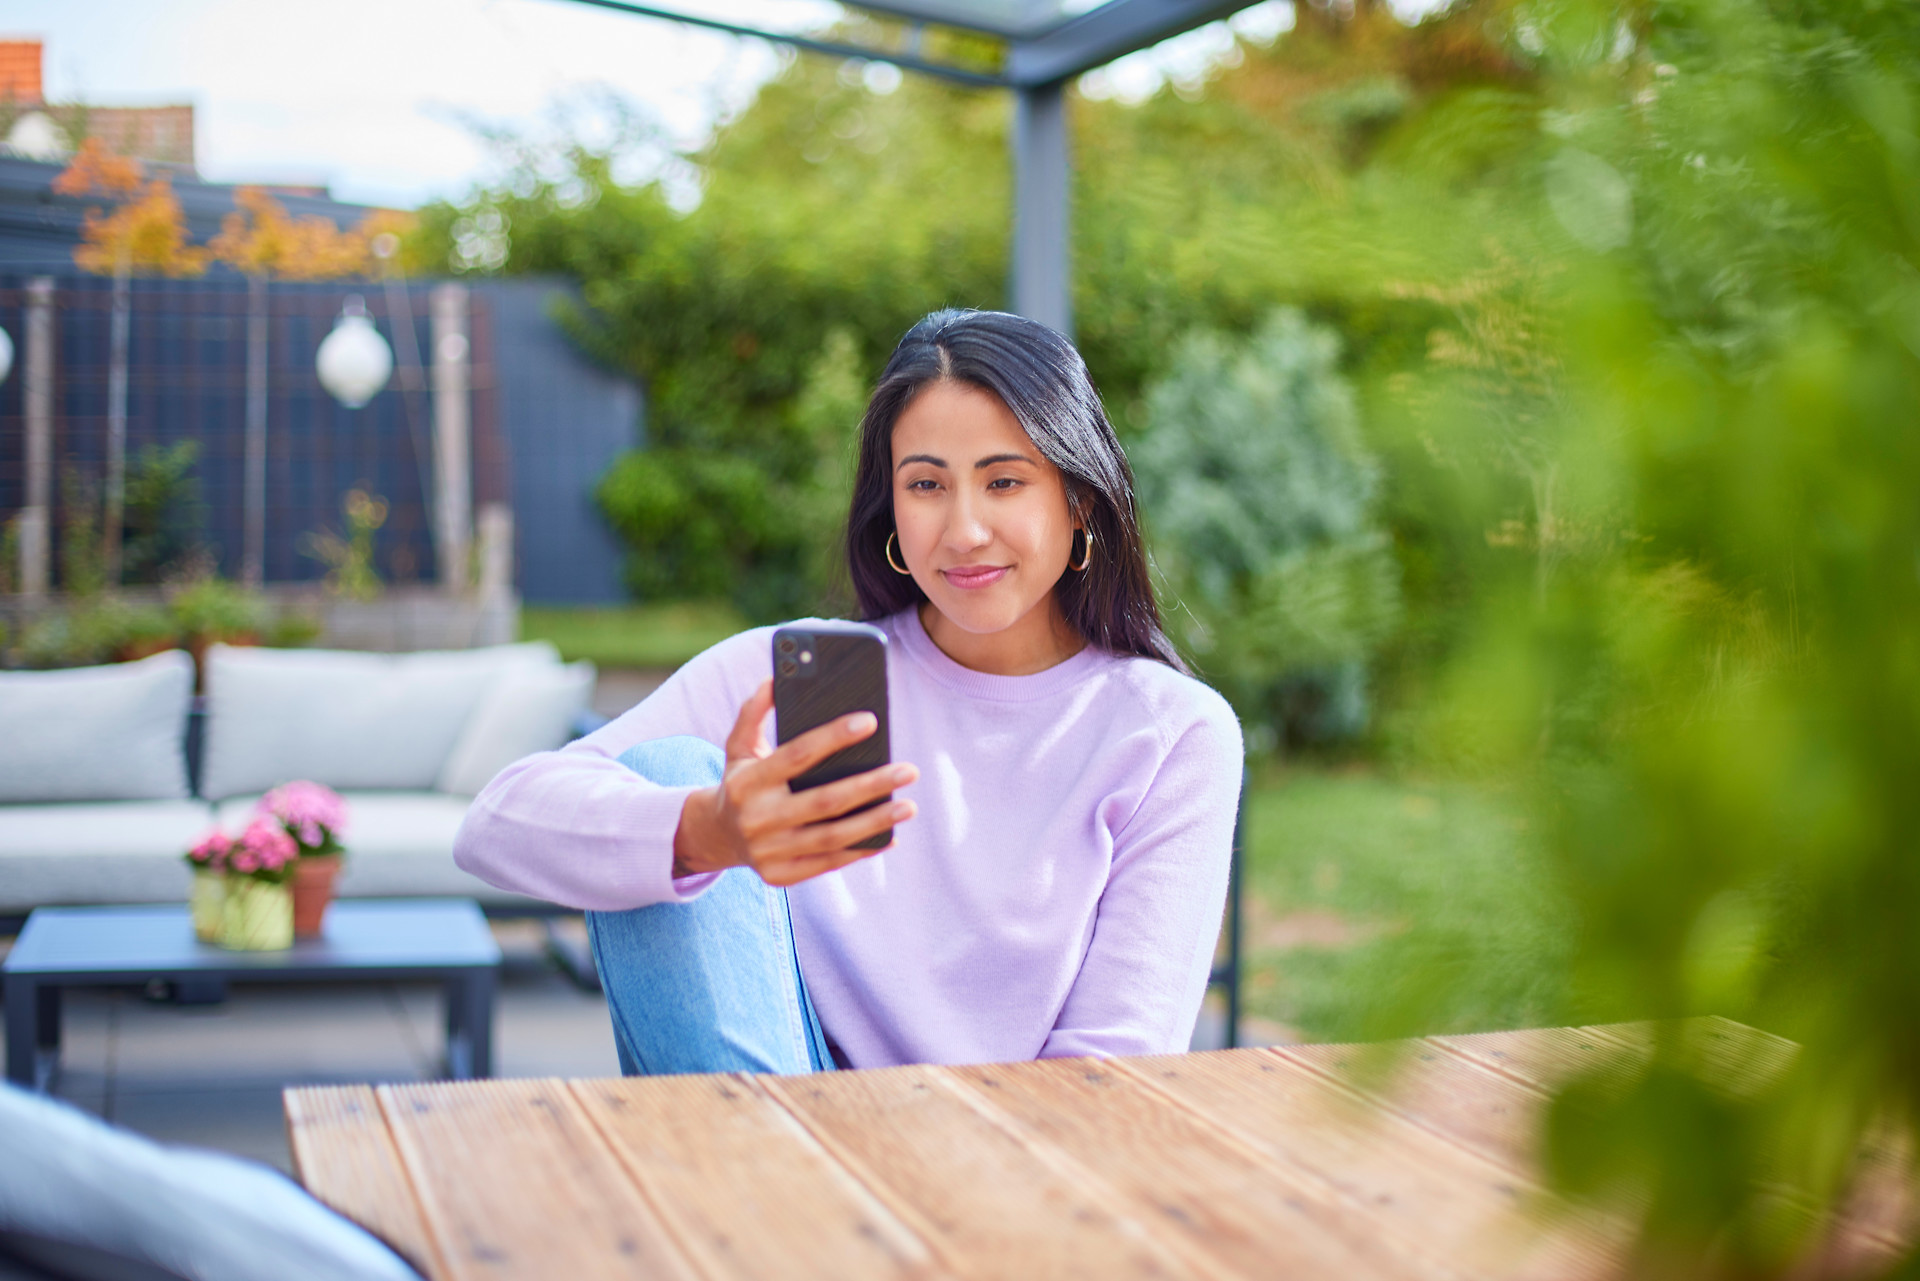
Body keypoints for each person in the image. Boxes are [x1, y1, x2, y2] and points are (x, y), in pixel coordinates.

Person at [454, 308, 1242, 1074]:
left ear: (1078, 499)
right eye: (927, 485)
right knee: (667, 775)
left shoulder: (1167, 731)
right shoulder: (802, 676)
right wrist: (706, 833)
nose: (964, 529)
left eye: (1004, 481)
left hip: (1018, 1164)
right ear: (891, 510)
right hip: (775, 1132)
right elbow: (494, 824)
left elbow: (1112, 1070)